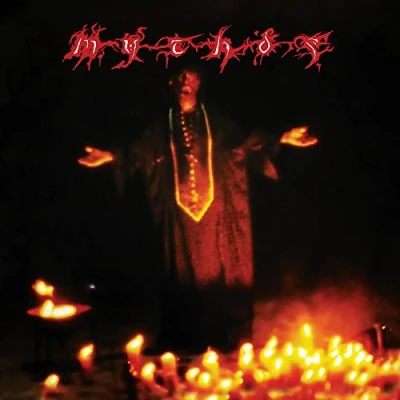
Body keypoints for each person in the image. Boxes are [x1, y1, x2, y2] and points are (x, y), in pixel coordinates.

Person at [78, 65, 318, 353]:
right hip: (180, 221)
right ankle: (187, 341)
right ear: (171, 83)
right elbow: (138, 153)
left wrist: (282, 137)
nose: (185, 82)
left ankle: (224, 339)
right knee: (183, 276)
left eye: (191, 77)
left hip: (216, 216)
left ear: (199, 83)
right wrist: (109, 156)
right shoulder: (161, 126)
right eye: (180, 77)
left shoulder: (216, 121)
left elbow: (245, 143)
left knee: (218, 272)